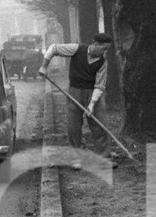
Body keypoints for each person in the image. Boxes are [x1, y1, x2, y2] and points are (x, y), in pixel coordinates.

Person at [38, 33, 114, 165]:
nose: (105, 52)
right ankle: (75, 158)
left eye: (107, 49)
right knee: (74, 126)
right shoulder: (77, 49)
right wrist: (44, 66)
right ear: (95, 45)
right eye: (104, 48)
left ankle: (104, 157)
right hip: (75, 92)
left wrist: (91, 104)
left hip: (93, 93)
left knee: (100, 125)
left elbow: (100, 85)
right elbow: (54, 48)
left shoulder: (102, 62)